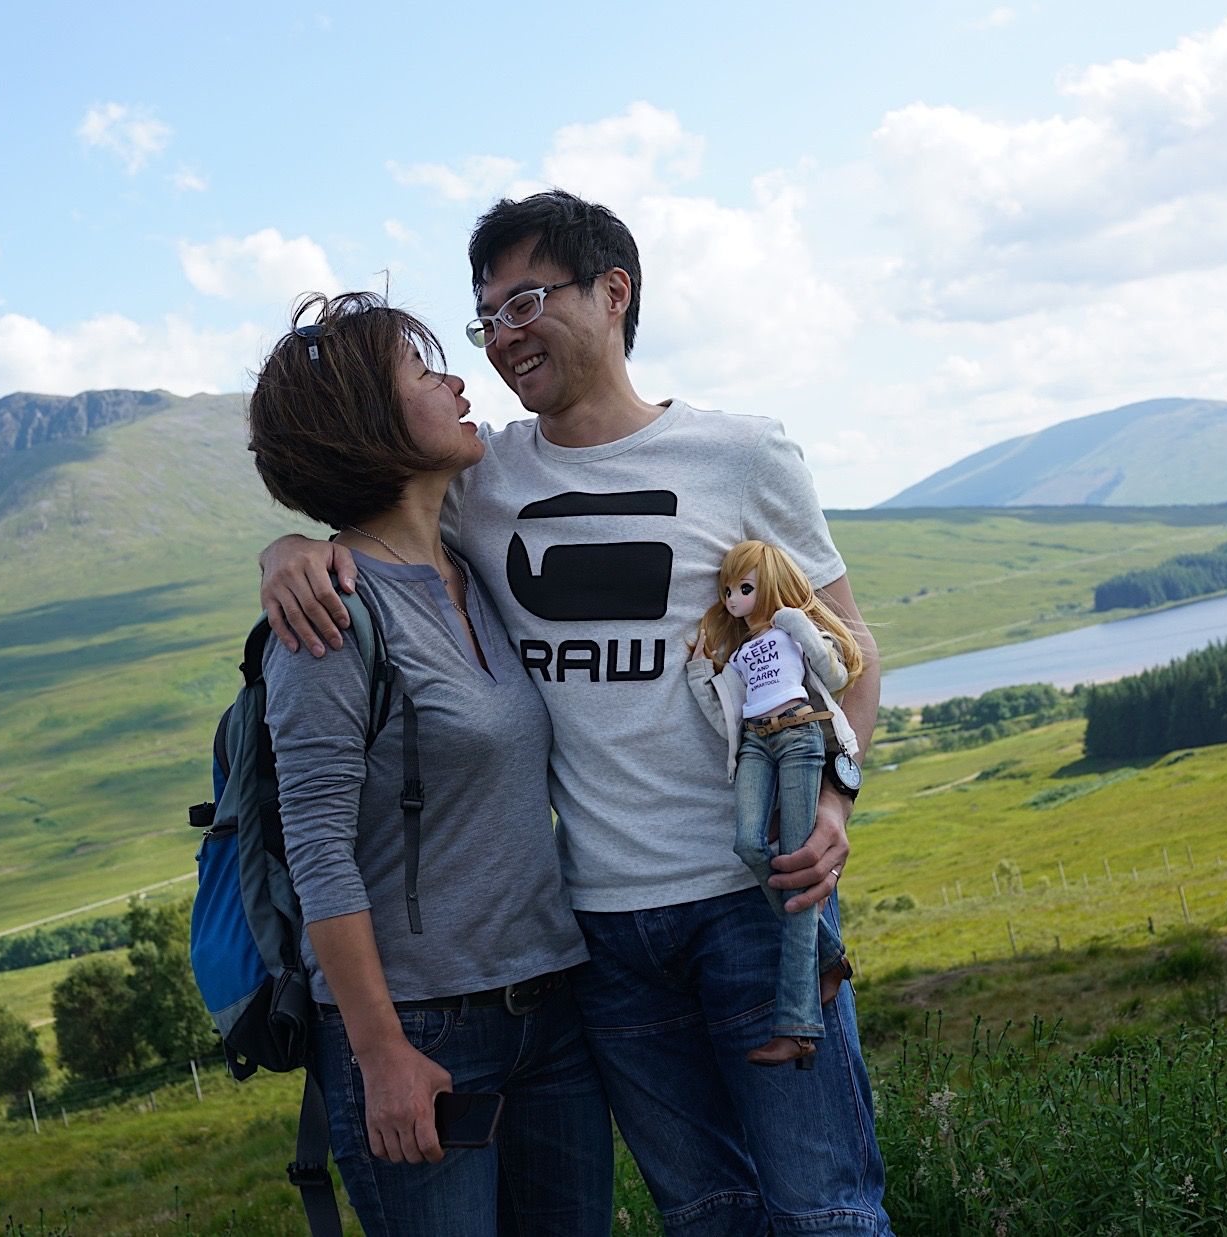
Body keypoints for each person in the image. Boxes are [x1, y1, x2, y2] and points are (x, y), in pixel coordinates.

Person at [261, 192, 893, 1235]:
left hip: (754, 899)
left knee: (824, 1211)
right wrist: (288, 551)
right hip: (600, 939)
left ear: (613, 292)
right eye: (486, 319)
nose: (502, 338)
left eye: (525, 302)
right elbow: (371, 512)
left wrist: (833, 799)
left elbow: (850, 649)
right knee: (707, 1213)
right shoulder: (485, 478)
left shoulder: (743, 454)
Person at [246, 290, 610, 1235]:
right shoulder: (328, 619)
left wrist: (283, 544)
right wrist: (380, 1055)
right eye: (423, 370)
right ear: (368, 423)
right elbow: (318, 849)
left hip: (550, 1009)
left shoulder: (471, 561)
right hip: (418, 1029)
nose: (459, 381)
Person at [690, 539, 865, 1069]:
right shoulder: (741, 653)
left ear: (767, 585)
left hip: (799, 736)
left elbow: (835, 676)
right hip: (755, 742)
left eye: (744, 588)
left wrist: (800, 626)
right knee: (749, 843)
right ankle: (829, 955)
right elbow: (725, 715)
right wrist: (699, 674)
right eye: (728, 591)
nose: (733, 600)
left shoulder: (791, 629)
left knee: (793, 858)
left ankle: (797, 1027)